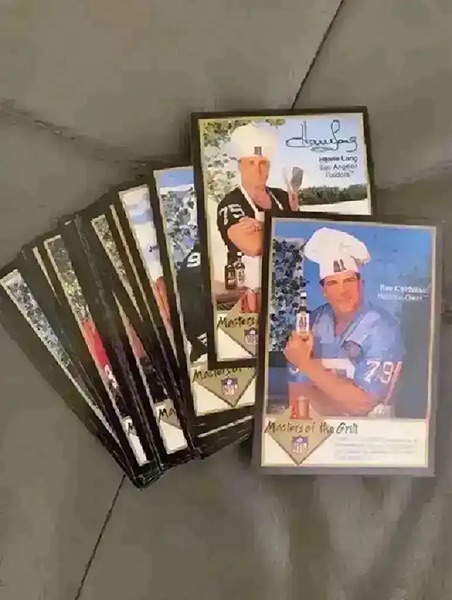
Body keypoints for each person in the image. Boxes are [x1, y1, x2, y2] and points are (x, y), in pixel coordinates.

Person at [284, 227, 404, 418]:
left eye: (349, 281)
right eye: (333, 283)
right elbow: (298, 400)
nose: (343, 291)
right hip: (318, 428)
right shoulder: (312, 322)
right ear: (323, 290)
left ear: (361, 284)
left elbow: (362, 404)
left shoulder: (382, 328)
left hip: (368, 432)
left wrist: (306, 364)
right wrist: (340, 396)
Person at [216, 123, 299, 312]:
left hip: (285, 286)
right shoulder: (231, 203)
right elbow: (254, 246)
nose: (258, 170)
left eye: (263, 163)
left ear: (269, 167)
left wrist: (261, 225)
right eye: (251, 163)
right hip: (250, 293)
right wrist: (286, 225)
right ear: (240, 166)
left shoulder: (282, 197)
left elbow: (302, 233)